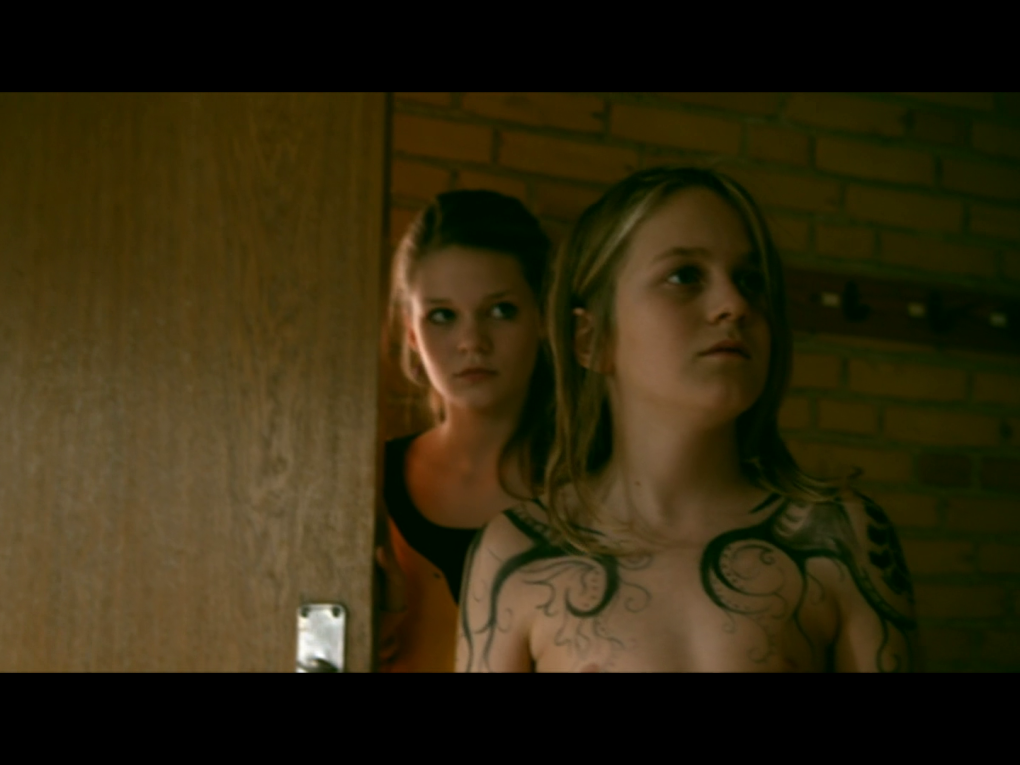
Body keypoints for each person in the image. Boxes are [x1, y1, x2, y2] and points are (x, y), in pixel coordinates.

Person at [455, 166, 918, 673]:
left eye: (750, 280)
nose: (734, 304)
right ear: (591, 340)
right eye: (684, 276)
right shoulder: (519, 553)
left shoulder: (836, 537)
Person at [377, 189, 553, 672]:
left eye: (500, 311)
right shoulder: (368, 482)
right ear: (412, 334)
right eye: (442, 316)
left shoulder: (594, 487)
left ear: (541, 317)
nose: (472, 342)